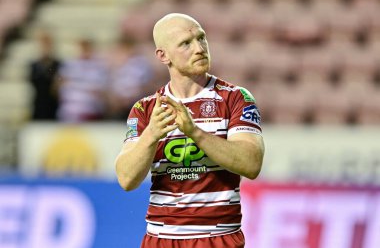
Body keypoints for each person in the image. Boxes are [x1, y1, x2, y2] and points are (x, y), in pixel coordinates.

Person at [115, 13, 265, 248]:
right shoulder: (145, 109)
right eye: (186, 43)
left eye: (201, 38)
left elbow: (252, 164)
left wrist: (194, 132)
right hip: (160, 239)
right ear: (163, 56)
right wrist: (152, 134)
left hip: (217, 238)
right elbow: (126, 179)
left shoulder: (235, 98)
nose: (199, 48)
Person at [56, 38, 107, 122]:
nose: (84, 50)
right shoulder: (69, 64)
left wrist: (74, 85)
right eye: (82, 47)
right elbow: (61, 85)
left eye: (86, 47)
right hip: (69, 111)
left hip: (90, 110)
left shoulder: (99, 66)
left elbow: (99, 90)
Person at [106, 35, 154, 120]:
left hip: (135, 101)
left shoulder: (140, 63)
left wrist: (132, 97)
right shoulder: (113, 64)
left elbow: (145, 83)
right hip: (118, 103)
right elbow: (110, 84)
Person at [29, 31, 61, 120]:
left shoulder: (57, 64)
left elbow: (57, 79)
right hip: (39, 104)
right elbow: (35, 81)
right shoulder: (35, 65)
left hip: (54, 105)